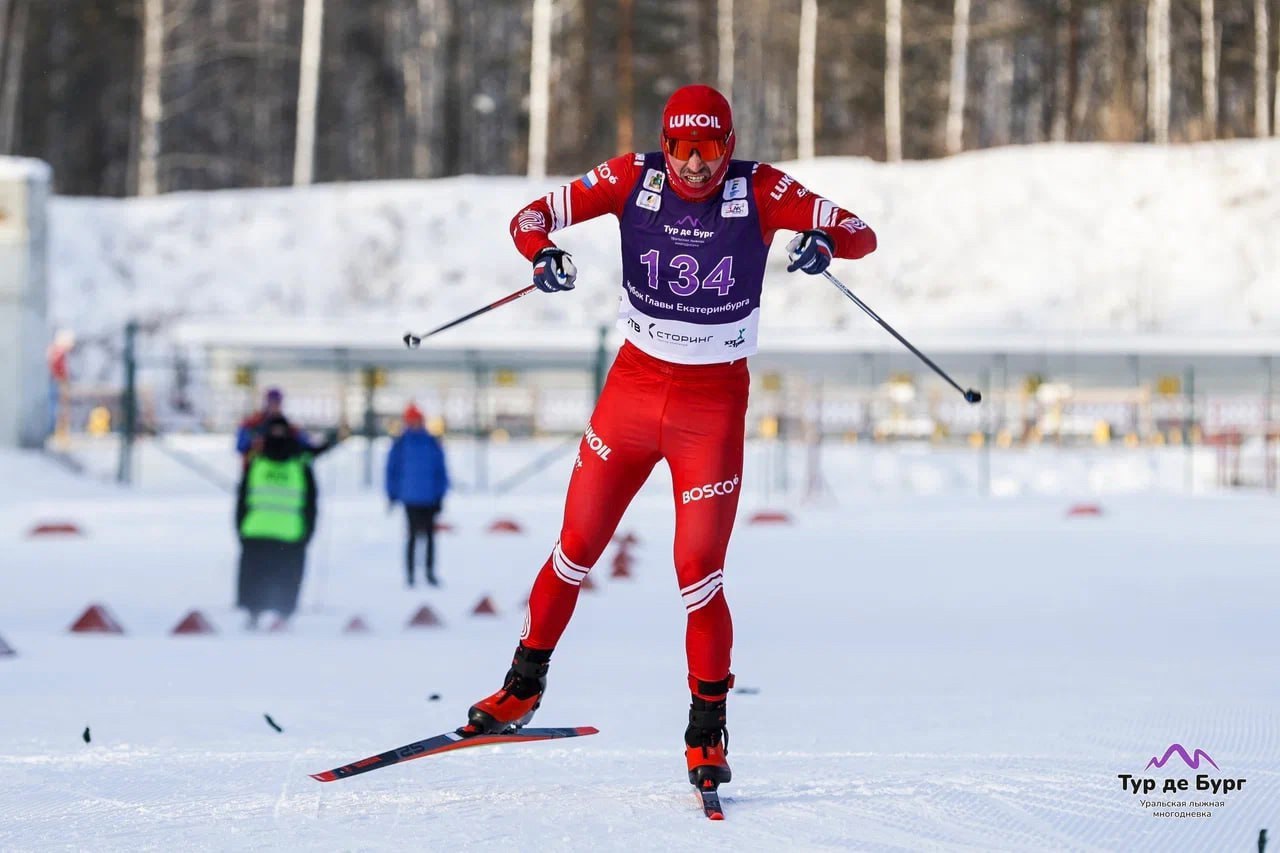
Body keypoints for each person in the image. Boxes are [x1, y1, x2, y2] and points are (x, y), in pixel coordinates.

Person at [461, 84, 877, 793]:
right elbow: (530, 215)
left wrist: (822, 240)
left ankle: (706, 730)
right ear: (665, 141)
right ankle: (522, 688)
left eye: (708, 149)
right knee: (573, 549)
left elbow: (860, 231)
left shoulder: (762, 188)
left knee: (698, 574)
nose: (692, 166)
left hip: (709, 409)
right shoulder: (633, 176)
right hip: (631, 393)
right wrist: (541, 252)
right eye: (681, 148)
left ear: (729, 145)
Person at [235, 415, 318, 629]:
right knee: (286, 578)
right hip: (290, 533)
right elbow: (311, 503)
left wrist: (240, 528)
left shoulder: (257, 462)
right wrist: (308, 532)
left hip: (256, 531)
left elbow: (242, 499)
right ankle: (283, 615)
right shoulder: (300, 464)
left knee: (255, 577)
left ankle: (254, 614)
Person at [385, 403, 451, 587]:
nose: (414, 424)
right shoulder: (401, 444)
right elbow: (392, 471)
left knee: (430, 537)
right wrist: (392, 494)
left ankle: (429, 572)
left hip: (429, 497)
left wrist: (440, 494)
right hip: (410, 498)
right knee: (413, 536)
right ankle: (411, 574)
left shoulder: (431, 442)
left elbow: (441, 470)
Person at [235, 387, 331, 469]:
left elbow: (304, 443)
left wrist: (320, 446)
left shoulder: (288, 426)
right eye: (271, 402)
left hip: (283, 471)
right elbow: (240, 446)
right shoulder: (252, 424)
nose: (274, 406)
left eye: (277, 402)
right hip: (256, 472)